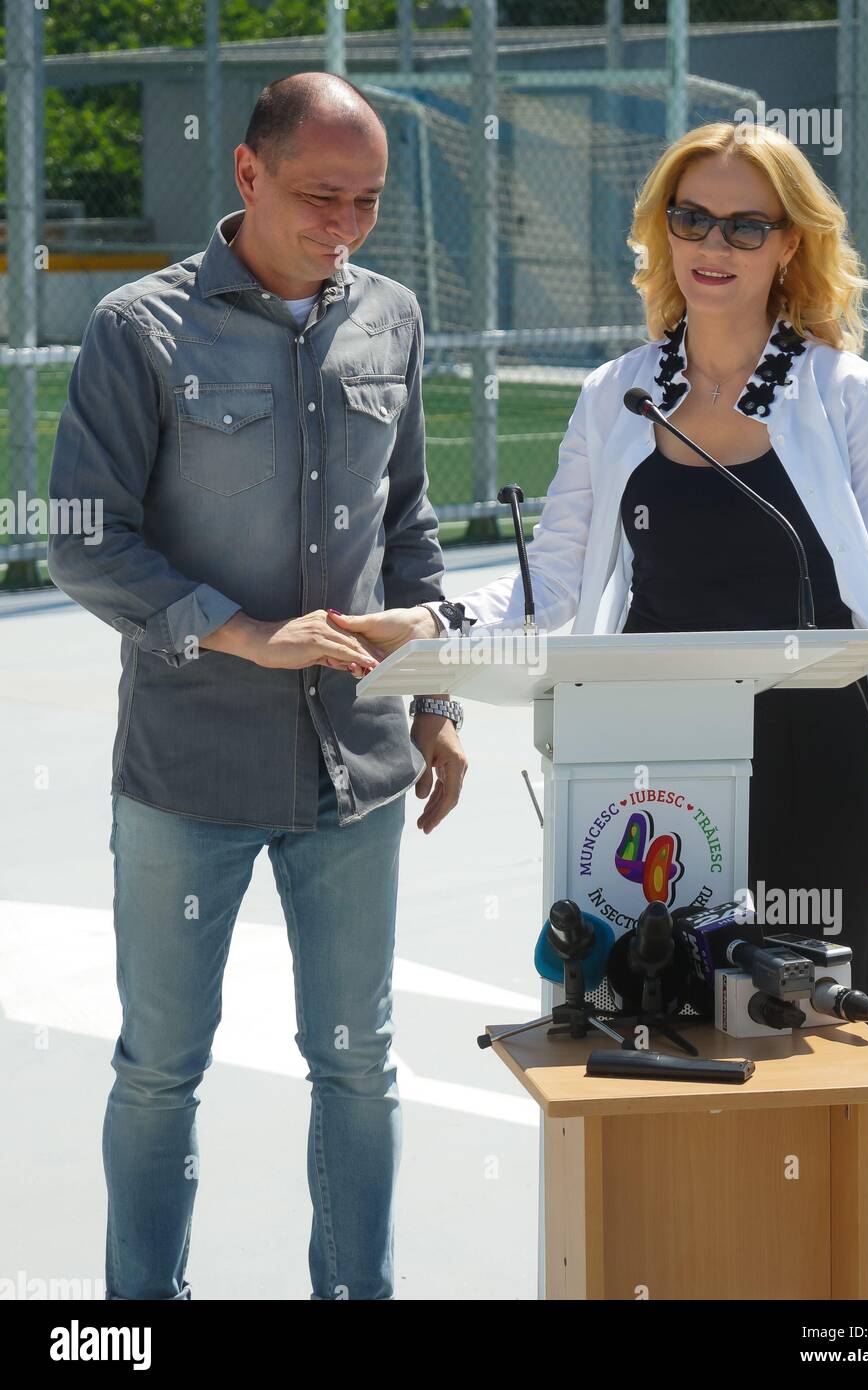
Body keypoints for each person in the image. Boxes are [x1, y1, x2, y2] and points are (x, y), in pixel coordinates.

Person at [334, 122, 868, 1299]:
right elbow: (548, 585)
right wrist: (429, 628)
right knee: (652, 1034)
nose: (712, 246)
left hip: (819, 773)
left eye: (744, 224)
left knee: (819, 1037)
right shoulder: (619, 392)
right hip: (657, 770)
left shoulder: (841, 393)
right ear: (662, 233)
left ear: (788, 246)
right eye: (690, 219)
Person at [46, 72, 467, 1301]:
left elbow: (414, 524)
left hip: (360, 770)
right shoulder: (139, 329)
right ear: (245, 175)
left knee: (358, 1067)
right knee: (160, 1068)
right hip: (190, 770)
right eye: (318, 196)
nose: (343, 226)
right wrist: (244, 635)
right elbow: (83, 538)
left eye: (367, 203)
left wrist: (436, 699)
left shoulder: (392, 316)